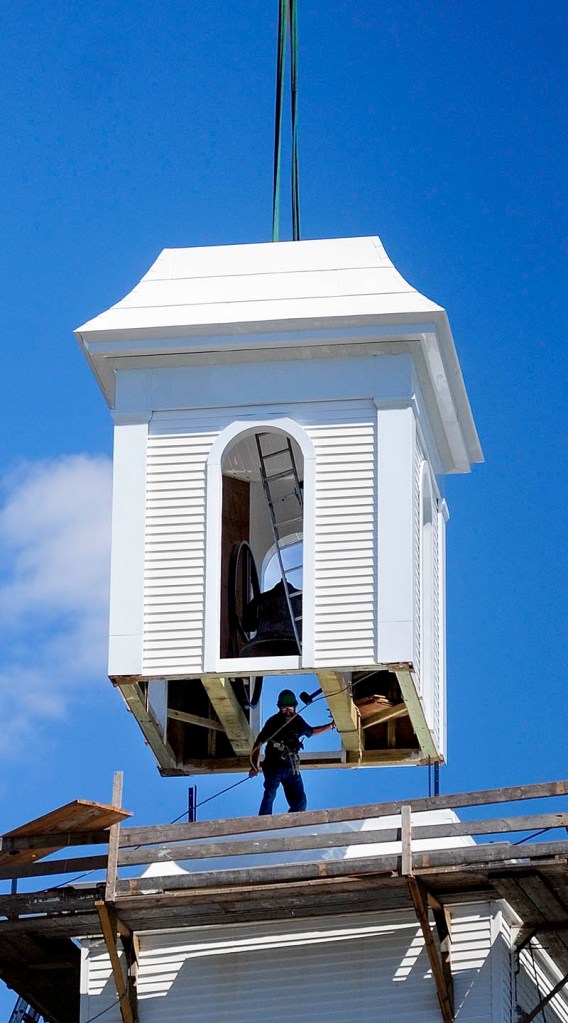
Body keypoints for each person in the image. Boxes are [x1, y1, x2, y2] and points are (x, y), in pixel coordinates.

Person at [249, 689, 334, 815]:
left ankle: (293, 822)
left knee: (300, 802)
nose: (288, 712)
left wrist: (331, 726)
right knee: (270, 793)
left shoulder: (298, 721)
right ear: (279, 708)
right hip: (274, 766)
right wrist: (253, 766)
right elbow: (258, 744)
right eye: (285, 709)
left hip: (291, 768)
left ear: (294, 707)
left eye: (290, 708)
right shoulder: (273, 722)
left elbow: (311, 731)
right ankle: (263, 820)